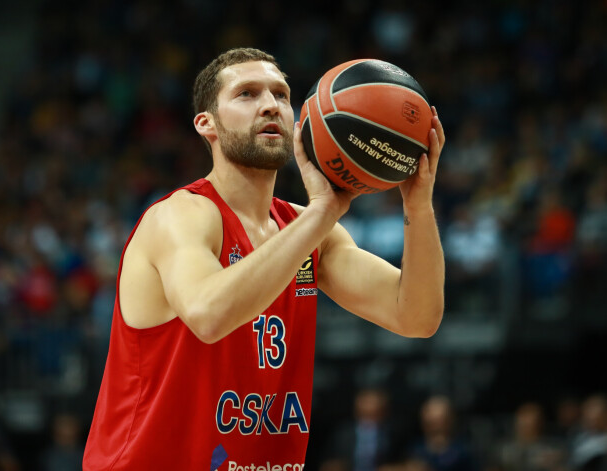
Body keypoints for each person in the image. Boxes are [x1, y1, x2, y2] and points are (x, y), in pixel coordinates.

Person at [83, 47, 445, 470]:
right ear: (207, 124)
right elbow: (209, 314)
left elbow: (417, 316)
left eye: (281, 94)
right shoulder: (181, 215)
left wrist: (418, 207)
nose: (271, 105)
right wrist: (322, 213)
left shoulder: (308, 231)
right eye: (247, 94)